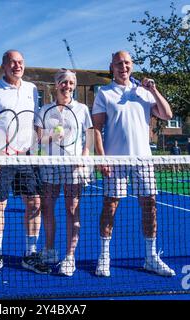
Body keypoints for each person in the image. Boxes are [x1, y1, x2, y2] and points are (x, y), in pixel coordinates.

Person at [92, 50, 176, 277]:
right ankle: (104, 257)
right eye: (119, 63)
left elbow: (167, 115)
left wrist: (153, 89)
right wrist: (101, 158)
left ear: (132, 65)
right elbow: (96, 130)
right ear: (112, 66)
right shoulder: (104, 93)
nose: (123, 66)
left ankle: (150, 257)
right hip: (116, 161)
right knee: (110, 207)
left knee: (150, 206)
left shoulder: (144, 92)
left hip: (143, 160)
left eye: (127, 63)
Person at [0, 50, 51, 275]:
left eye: (20, 62)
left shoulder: (32, 90)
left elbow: (35, 122)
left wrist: (40, 145)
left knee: (35, 204)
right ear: (3, 66)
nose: (17, 66)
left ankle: (30, 254)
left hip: (26, 158)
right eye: (12, 62)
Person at [35, 69, 93, 276]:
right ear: (56, 84)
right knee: (47, 207)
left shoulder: (82, 109)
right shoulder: (45, 109)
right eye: (63, 82)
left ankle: (70, 257)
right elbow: (38, 141)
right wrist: (52, 135)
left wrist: (84, 158)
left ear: (74, 85)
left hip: (74, 165)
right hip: (50, 164)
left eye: (70, 83)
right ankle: (50, 251)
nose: (67, 86)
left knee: (72, 209)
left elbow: (90, 136)